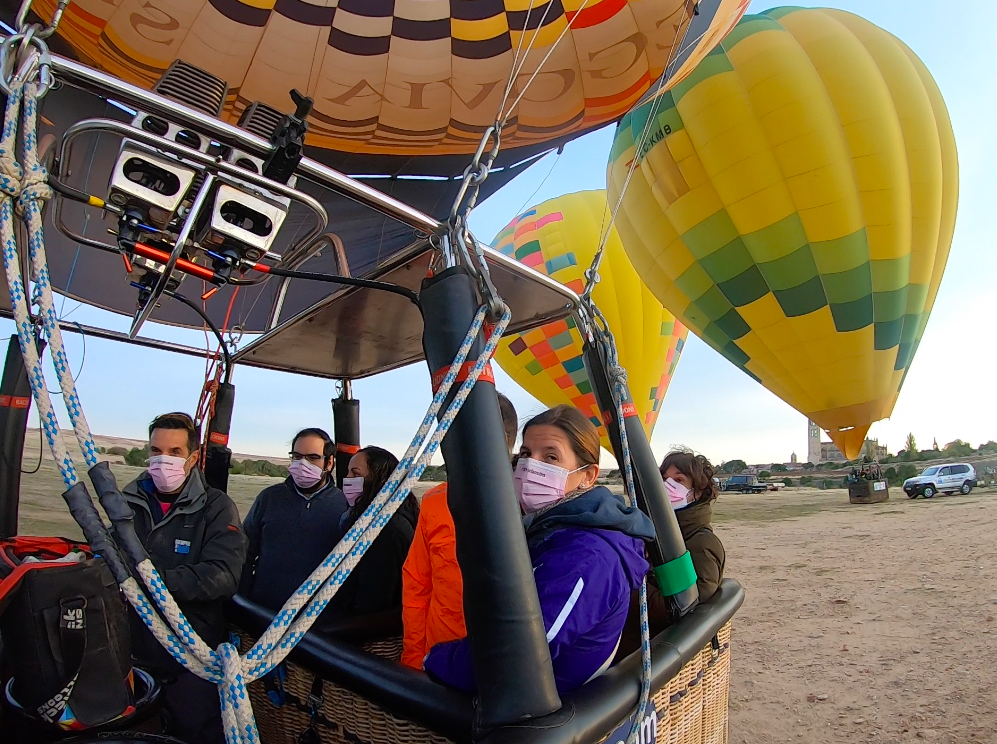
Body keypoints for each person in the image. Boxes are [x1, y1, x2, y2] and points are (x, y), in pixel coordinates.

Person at [423, 405, 655, 693]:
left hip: (541, 707)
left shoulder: (588, 555)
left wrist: (434, 660)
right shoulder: (550, 530)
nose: (532, 465)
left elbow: (519, 656)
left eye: (551, 457)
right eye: (526, 454)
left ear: (588, 475)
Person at [121, 412, 247, 744]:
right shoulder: (126, 503)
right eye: (156, 450)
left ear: (192, 458)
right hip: (131, 647)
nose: (163, 460)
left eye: (174, 452)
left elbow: (223, 575)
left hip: (190, 654)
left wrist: (155, 581)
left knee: (193, 733)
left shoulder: (216, 508)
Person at [401, 392, 519, 669]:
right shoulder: (435, 502)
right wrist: (414, 660)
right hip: (440, 659)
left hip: (506, 667)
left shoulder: (531, 504)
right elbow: (417, 584)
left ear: (502, 438)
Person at [617, 449, 725, 659]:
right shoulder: (656, 533)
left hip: (650, 654)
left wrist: (629, 577)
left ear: (697, 492)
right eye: (664, 478)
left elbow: (682, 609)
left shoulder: (699, 543)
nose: (668, 485)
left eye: (679, 480)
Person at [240, 428, 348, 612]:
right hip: (263, 614)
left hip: (321, 620)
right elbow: (244, 553)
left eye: (312, 458)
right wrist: (242, 601)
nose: (303, 463)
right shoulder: (269, 498)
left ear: (329, 463)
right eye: (297, 457)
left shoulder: (345, 506)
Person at [323, 445, 419, 617]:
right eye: (347, 472)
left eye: (356, 473)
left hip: (368, 634)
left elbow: (375, 597)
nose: (347, 478)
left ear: (380, 479)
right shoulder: (369, 519)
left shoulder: (386, 528)